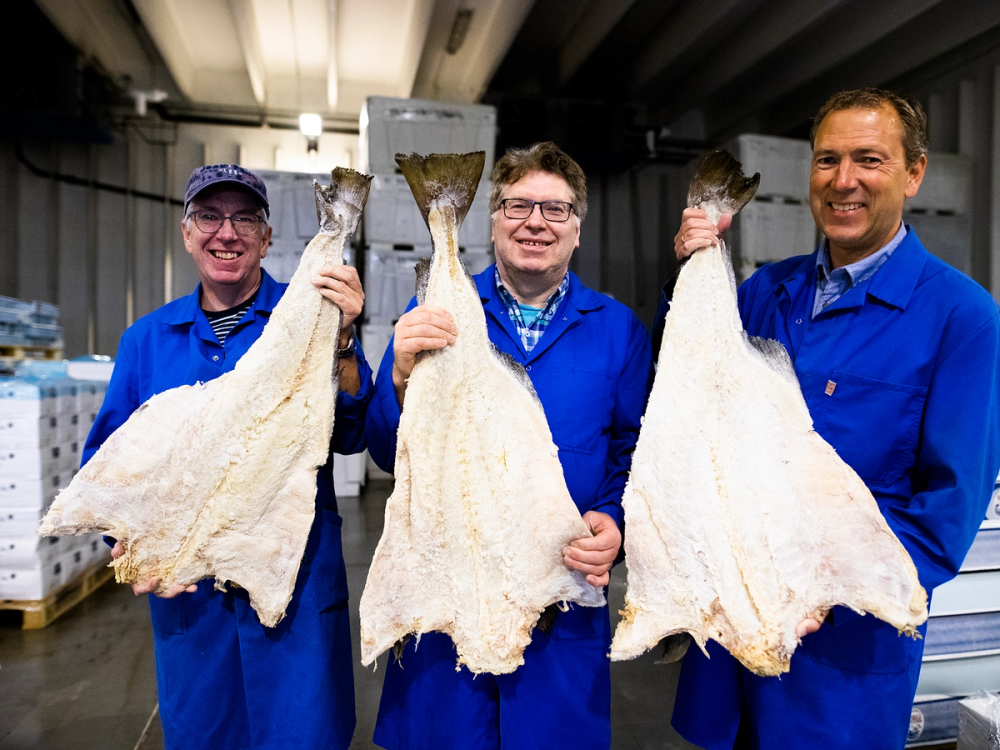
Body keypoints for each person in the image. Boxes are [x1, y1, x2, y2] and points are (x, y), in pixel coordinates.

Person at [662, 89, 1000, 749]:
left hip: (839, 662)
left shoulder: (961, 317)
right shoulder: (763, 292)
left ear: (914, 173)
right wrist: (689, 280)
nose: (844, 181)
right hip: (728, 645)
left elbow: (945, 517)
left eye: (869, 160)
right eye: (828, 161)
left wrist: (824, 594)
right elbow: (685, 401)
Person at [365, 142, 654, 749]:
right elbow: (385, 450)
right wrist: (396, 376)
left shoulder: (617, 328)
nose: (535, 223)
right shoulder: (437, 310)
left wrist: (617, 519)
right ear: (492, 219)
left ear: (578, 228)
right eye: (518, 206)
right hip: (449, 586)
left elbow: (636, 452)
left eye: (555, 209)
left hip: (559, 600)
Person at [84, 164, 373, 750]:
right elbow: (107, 466)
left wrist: (342, 341)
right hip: (193, 608)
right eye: (209, 217)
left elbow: (351, 434)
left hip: (294, 601)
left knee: (303, 737)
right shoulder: (146, 340)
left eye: (245, 218)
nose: (227, 232)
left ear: (267, 238)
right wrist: (129, 547)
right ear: (186, 232)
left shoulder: (314, 318)